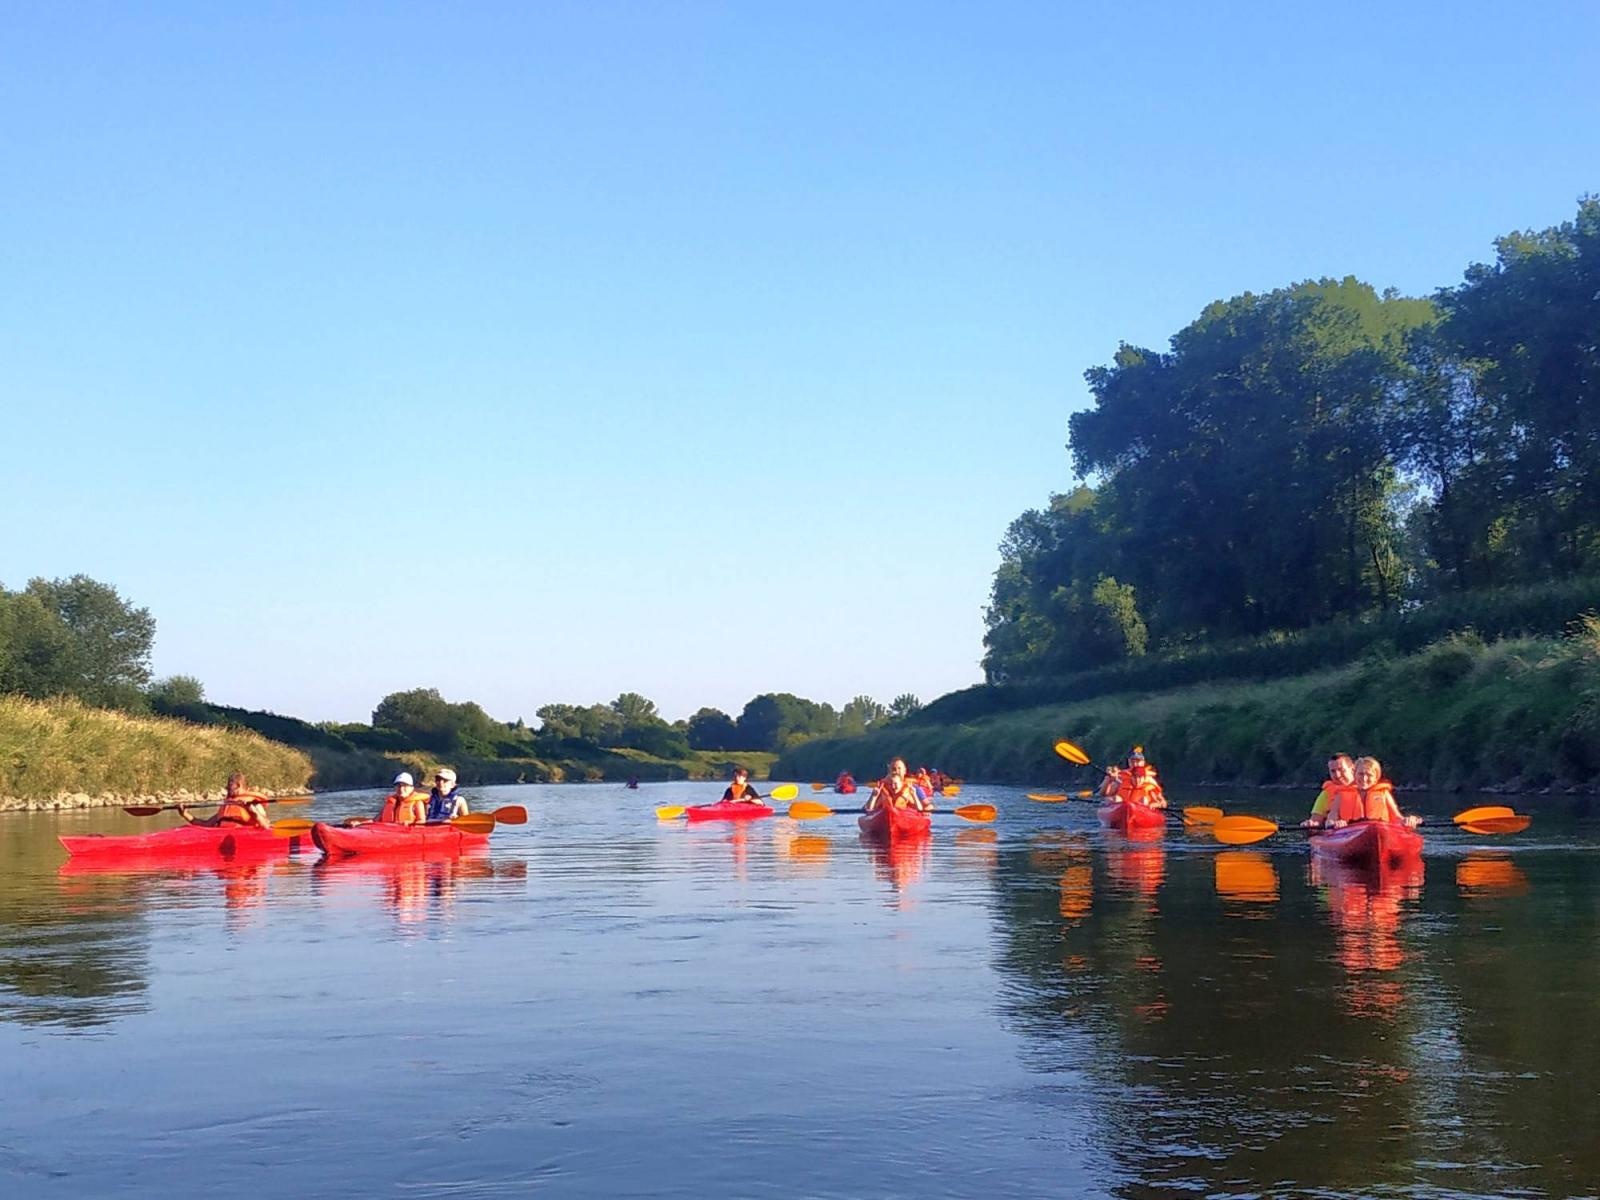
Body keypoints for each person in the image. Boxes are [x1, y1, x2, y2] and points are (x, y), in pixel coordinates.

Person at [1325, 756, 1421, 829]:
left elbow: (1397, 818)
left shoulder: (1384, 794)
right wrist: (1336, 823)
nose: (1364, 778)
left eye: (1369, 775)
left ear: (1376, 778)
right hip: (1349, 832)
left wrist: (1408, 820)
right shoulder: (1341, 795)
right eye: (1360, 774)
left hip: (1379, 829)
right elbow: (1330, 820)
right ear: (1354, 774)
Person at [179, 772, 271, 829]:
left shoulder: (253, 803)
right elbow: (206, 824)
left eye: (229, 786)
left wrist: (254, 811)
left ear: (238, 786)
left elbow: (266, 826)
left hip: (242, 836)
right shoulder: (228, 804)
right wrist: (185, 814)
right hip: (220, 834)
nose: (227, 789)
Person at [1099, 747, 1167, 808]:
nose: (1135, 764)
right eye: (1132, 761)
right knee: (1116, 799)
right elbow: (1104, 794)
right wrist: (1108, 779)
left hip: (1141, 810)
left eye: (1138, 761)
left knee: (1144, 800)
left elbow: (1163, 803)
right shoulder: (1121, 777)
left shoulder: (1149, 782)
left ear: (1143, 762)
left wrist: (1155, 804)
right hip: (1122, 808)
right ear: (1129, 762)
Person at [1302, 754, 1357, 828]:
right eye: (1333, 771)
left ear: (1352, 769)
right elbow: (1315, 820)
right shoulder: (1326, 794)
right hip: (1339, 833)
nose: (1337, 775)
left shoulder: (1366, 790)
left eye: (1341, 770)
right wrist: (1311, 824)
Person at [863, 758, 932, 814]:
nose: (896, 771)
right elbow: (866, 808)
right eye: (893, 769)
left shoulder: (914, 788)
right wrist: (873, 797)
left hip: (907, 816)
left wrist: (925, 811)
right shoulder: (880, 788)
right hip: (883, 816)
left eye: (899, 768)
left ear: (905, 771)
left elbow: (928, 805)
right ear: (889, 771)